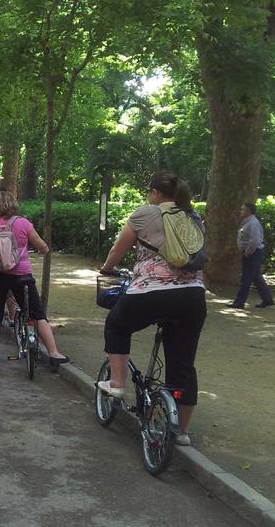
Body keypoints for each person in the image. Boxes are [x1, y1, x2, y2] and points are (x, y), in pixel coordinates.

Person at [98, 172, 206, 447]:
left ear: (156, 194)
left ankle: (118, 385)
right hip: (192, 296)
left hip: (151, 292)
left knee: (116, 324)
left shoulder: (145, 213)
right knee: (183, 365)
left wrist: (107, 268)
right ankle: (181, 432)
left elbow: (118, 248)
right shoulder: (192, 217)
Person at [0, 191, 68, 368]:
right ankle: (53, 352)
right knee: (38, 314)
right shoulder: (23, 223)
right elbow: (41, 246)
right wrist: (44, 250)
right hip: (20, 275)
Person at [228, 202, 274, 309]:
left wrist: (248, 252)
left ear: (248, 211)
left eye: (243, 209)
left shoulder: (252, 223)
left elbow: (255, 240)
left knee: (246, 277)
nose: (241, 211)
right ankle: (267, 299)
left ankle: (239, 302)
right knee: (256, 277)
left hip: (253, 253)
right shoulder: (247, 222)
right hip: (253, 252)